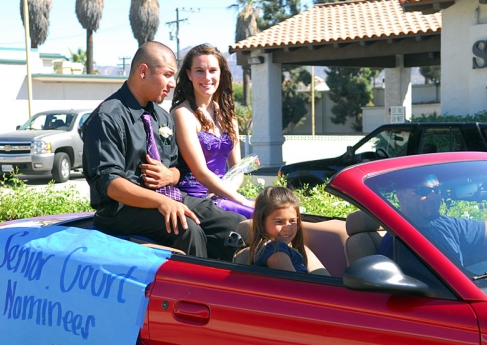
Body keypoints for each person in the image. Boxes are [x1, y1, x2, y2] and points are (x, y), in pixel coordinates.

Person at [81, 41, 244, 260]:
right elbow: (110, 185)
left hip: (170, 196)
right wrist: (161, 202)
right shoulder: (107, 117)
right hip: (122, 210)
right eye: (167, 75)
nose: (172, 84)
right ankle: (194, 292)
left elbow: (179, 170)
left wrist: (171, 175)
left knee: (231, 223)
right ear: (143, 71)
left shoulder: (162, 117)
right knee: (187, 228)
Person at [376, 173, 487, 265]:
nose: (433, 196)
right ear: (401, 196)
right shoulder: (396, 244)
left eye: (436, 190)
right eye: (422, 191)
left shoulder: (446, 224)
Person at [170, 44, 255, 218]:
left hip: (224, 195)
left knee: (274, 214)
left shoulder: (229, 116)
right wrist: (241, 200)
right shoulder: (183, 114)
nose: (207, 77)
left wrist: (228, 191)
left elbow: (237, 169)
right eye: (199, 70)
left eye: (213, 70)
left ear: (220, 74)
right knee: (257, 217)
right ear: (189, 74)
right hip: (196, 199)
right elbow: (200, 172)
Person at [248, 187, 327, 273]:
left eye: (292, 221)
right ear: (262, 222)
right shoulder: (276, 252)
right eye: (279, 222)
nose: (287, 228)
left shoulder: (275, 248)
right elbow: (294, 285)